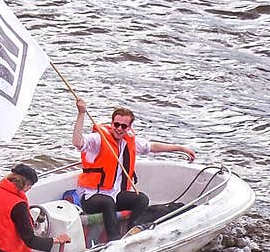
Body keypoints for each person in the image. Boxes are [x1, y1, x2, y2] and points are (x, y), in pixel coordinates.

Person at [71, 97, 196, 241]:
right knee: (107, 202)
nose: (119, 129)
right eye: (116, 124)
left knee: (141, 199)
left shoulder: (130, 141)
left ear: (129, 128)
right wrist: (81, 114)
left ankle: (132, 231)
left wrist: (181, 148)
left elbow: (153, 147)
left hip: (114, 194)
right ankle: (114, 239)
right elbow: (77, 142)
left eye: (123, 126)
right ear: (112, 123)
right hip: (92, 196)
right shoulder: (98, 140)